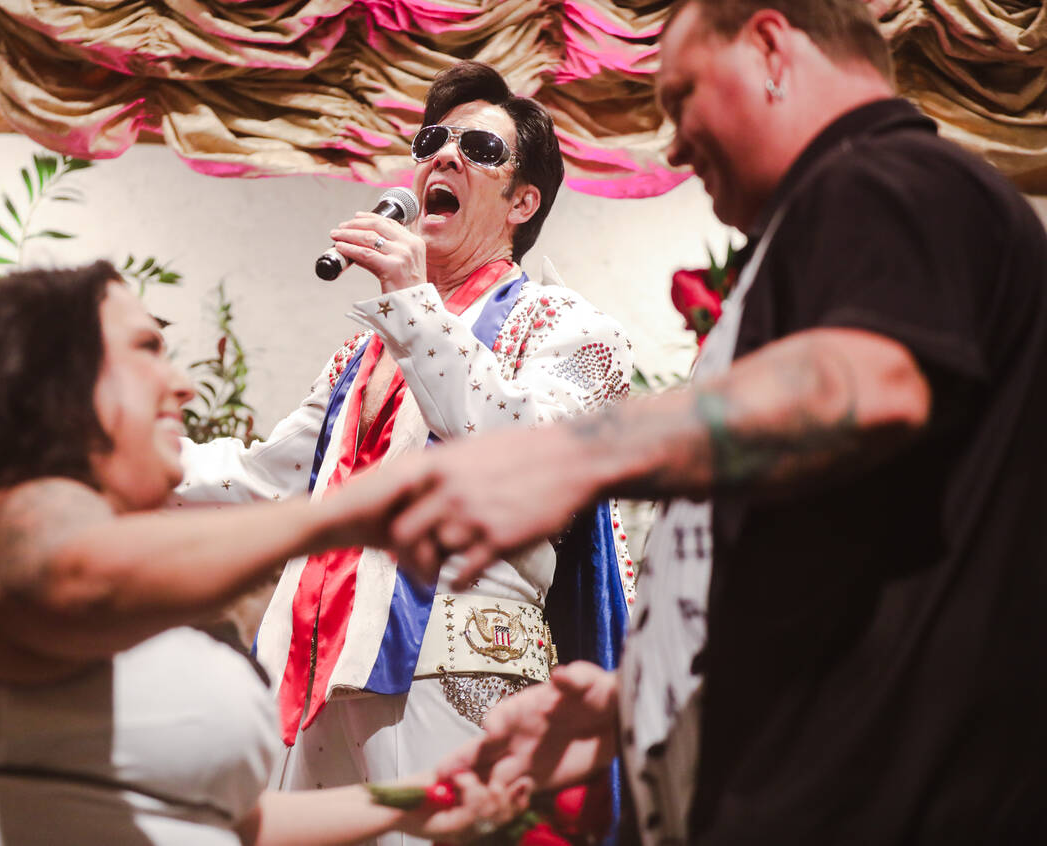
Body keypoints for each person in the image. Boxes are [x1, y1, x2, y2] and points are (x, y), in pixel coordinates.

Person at [392, 2, 1047, 843]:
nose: (672, 146)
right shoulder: (838, 219)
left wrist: (571, 457)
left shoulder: (889, 180)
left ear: (771, 47)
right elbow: (836, 546)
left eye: (682, 98)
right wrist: (637, 699)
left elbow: (865, 387)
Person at [0, 262, 512, 845]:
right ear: (47, 376)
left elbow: (230, 822)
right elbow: (74, 569)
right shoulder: (9, 527)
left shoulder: (117, 592)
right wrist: (348, 515)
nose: (184, 386)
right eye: (146, 349)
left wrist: (425, 796)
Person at [176, 59, 636, 834]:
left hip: (458, 667)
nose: (444, 157)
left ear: (525, 202)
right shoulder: (366, 353)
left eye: (480, 150)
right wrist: (109, 462)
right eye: (432, 142)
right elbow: (266, 479)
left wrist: (414, 307)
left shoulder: (569, 326)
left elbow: (531, 455)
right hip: (316, 664)